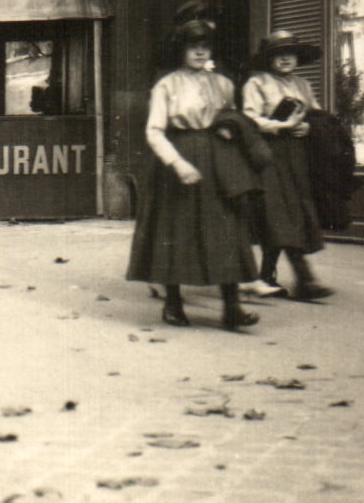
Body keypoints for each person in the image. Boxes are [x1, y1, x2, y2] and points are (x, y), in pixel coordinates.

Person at [126, 17, 259, 330]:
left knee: (226, 228)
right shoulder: (166, 85)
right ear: (180, 50)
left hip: (218, 162)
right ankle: (173, 303)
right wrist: (177, 163)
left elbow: (232, 117)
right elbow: (155, 131)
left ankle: (232, 307)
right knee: (176, 230)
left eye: (205, 46)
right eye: (193, 46)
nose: (200, 52)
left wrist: (229, 128)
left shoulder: (225, 84)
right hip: (180, 156)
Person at [239, 30, 334, 301]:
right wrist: (280, 126)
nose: (285, 59)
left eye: (290, 54)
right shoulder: (256, 83)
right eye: (278, 55)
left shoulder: (303, 85)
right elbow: (250, 118)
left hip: (297, 154)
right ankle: (305, 279)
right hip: (269, 152)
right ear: (268, 59)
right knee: (280, 211)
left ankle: (266, 275)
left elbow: (315, 114)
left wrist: (308, 127)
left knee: (292, 211)